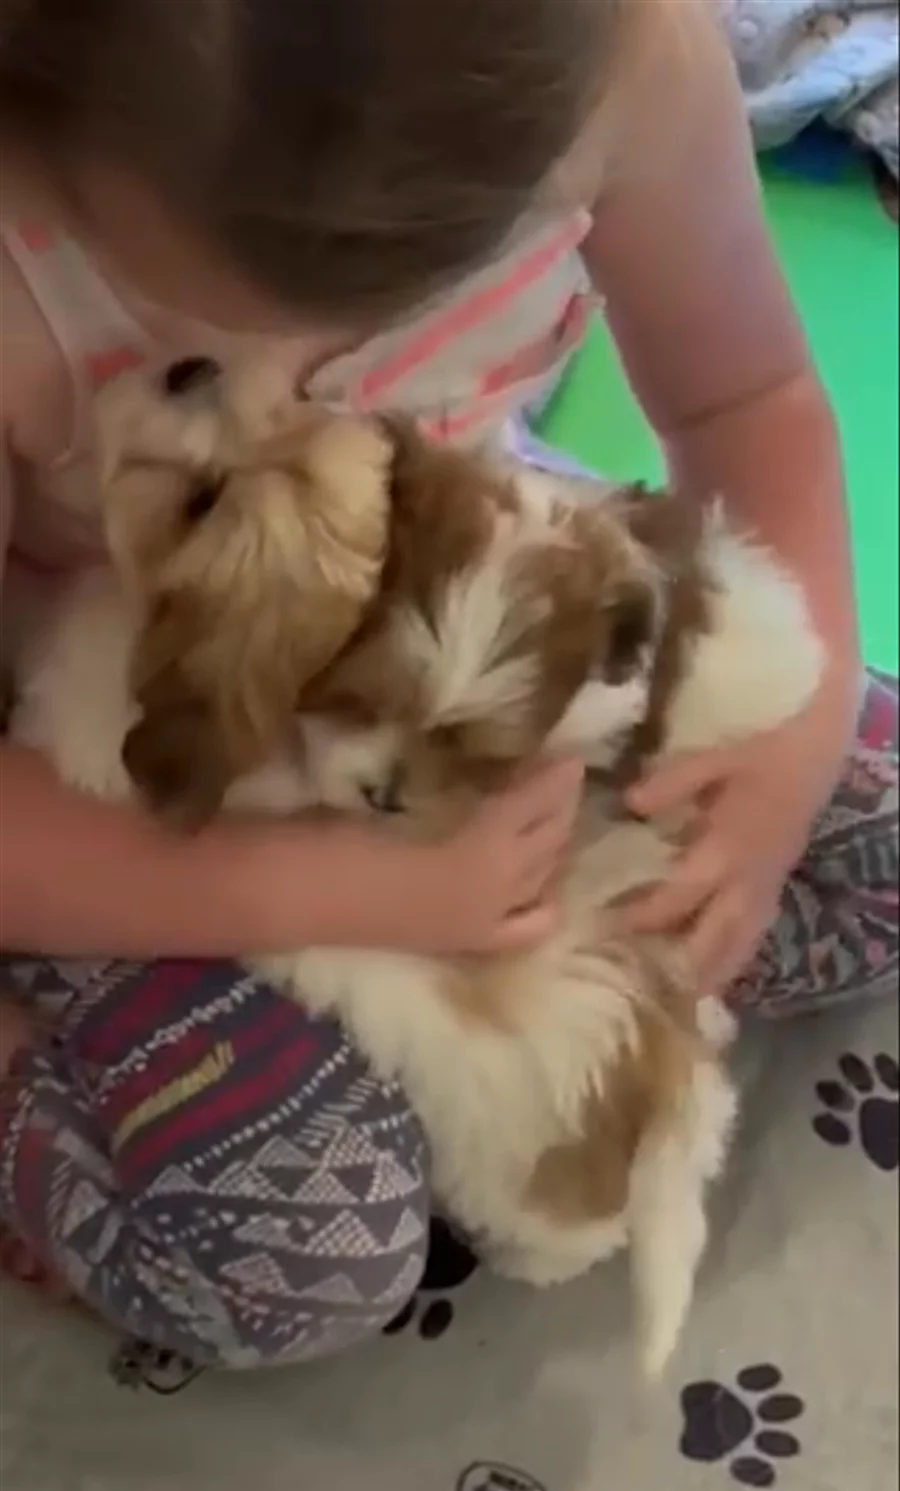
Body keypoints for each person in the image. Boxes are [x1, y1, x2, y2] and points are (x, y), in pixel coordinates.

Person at [0, 0, 895, 1370]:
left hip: (462, 632)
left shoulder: (631, 63)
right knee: (300, 1259)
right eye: (213, 325)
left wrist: (785, 769)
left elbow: (752, 402)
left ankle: (495, 1014)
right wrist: (336, 896)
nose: (297, 378)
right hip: (117, 763)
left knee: (875, 818)